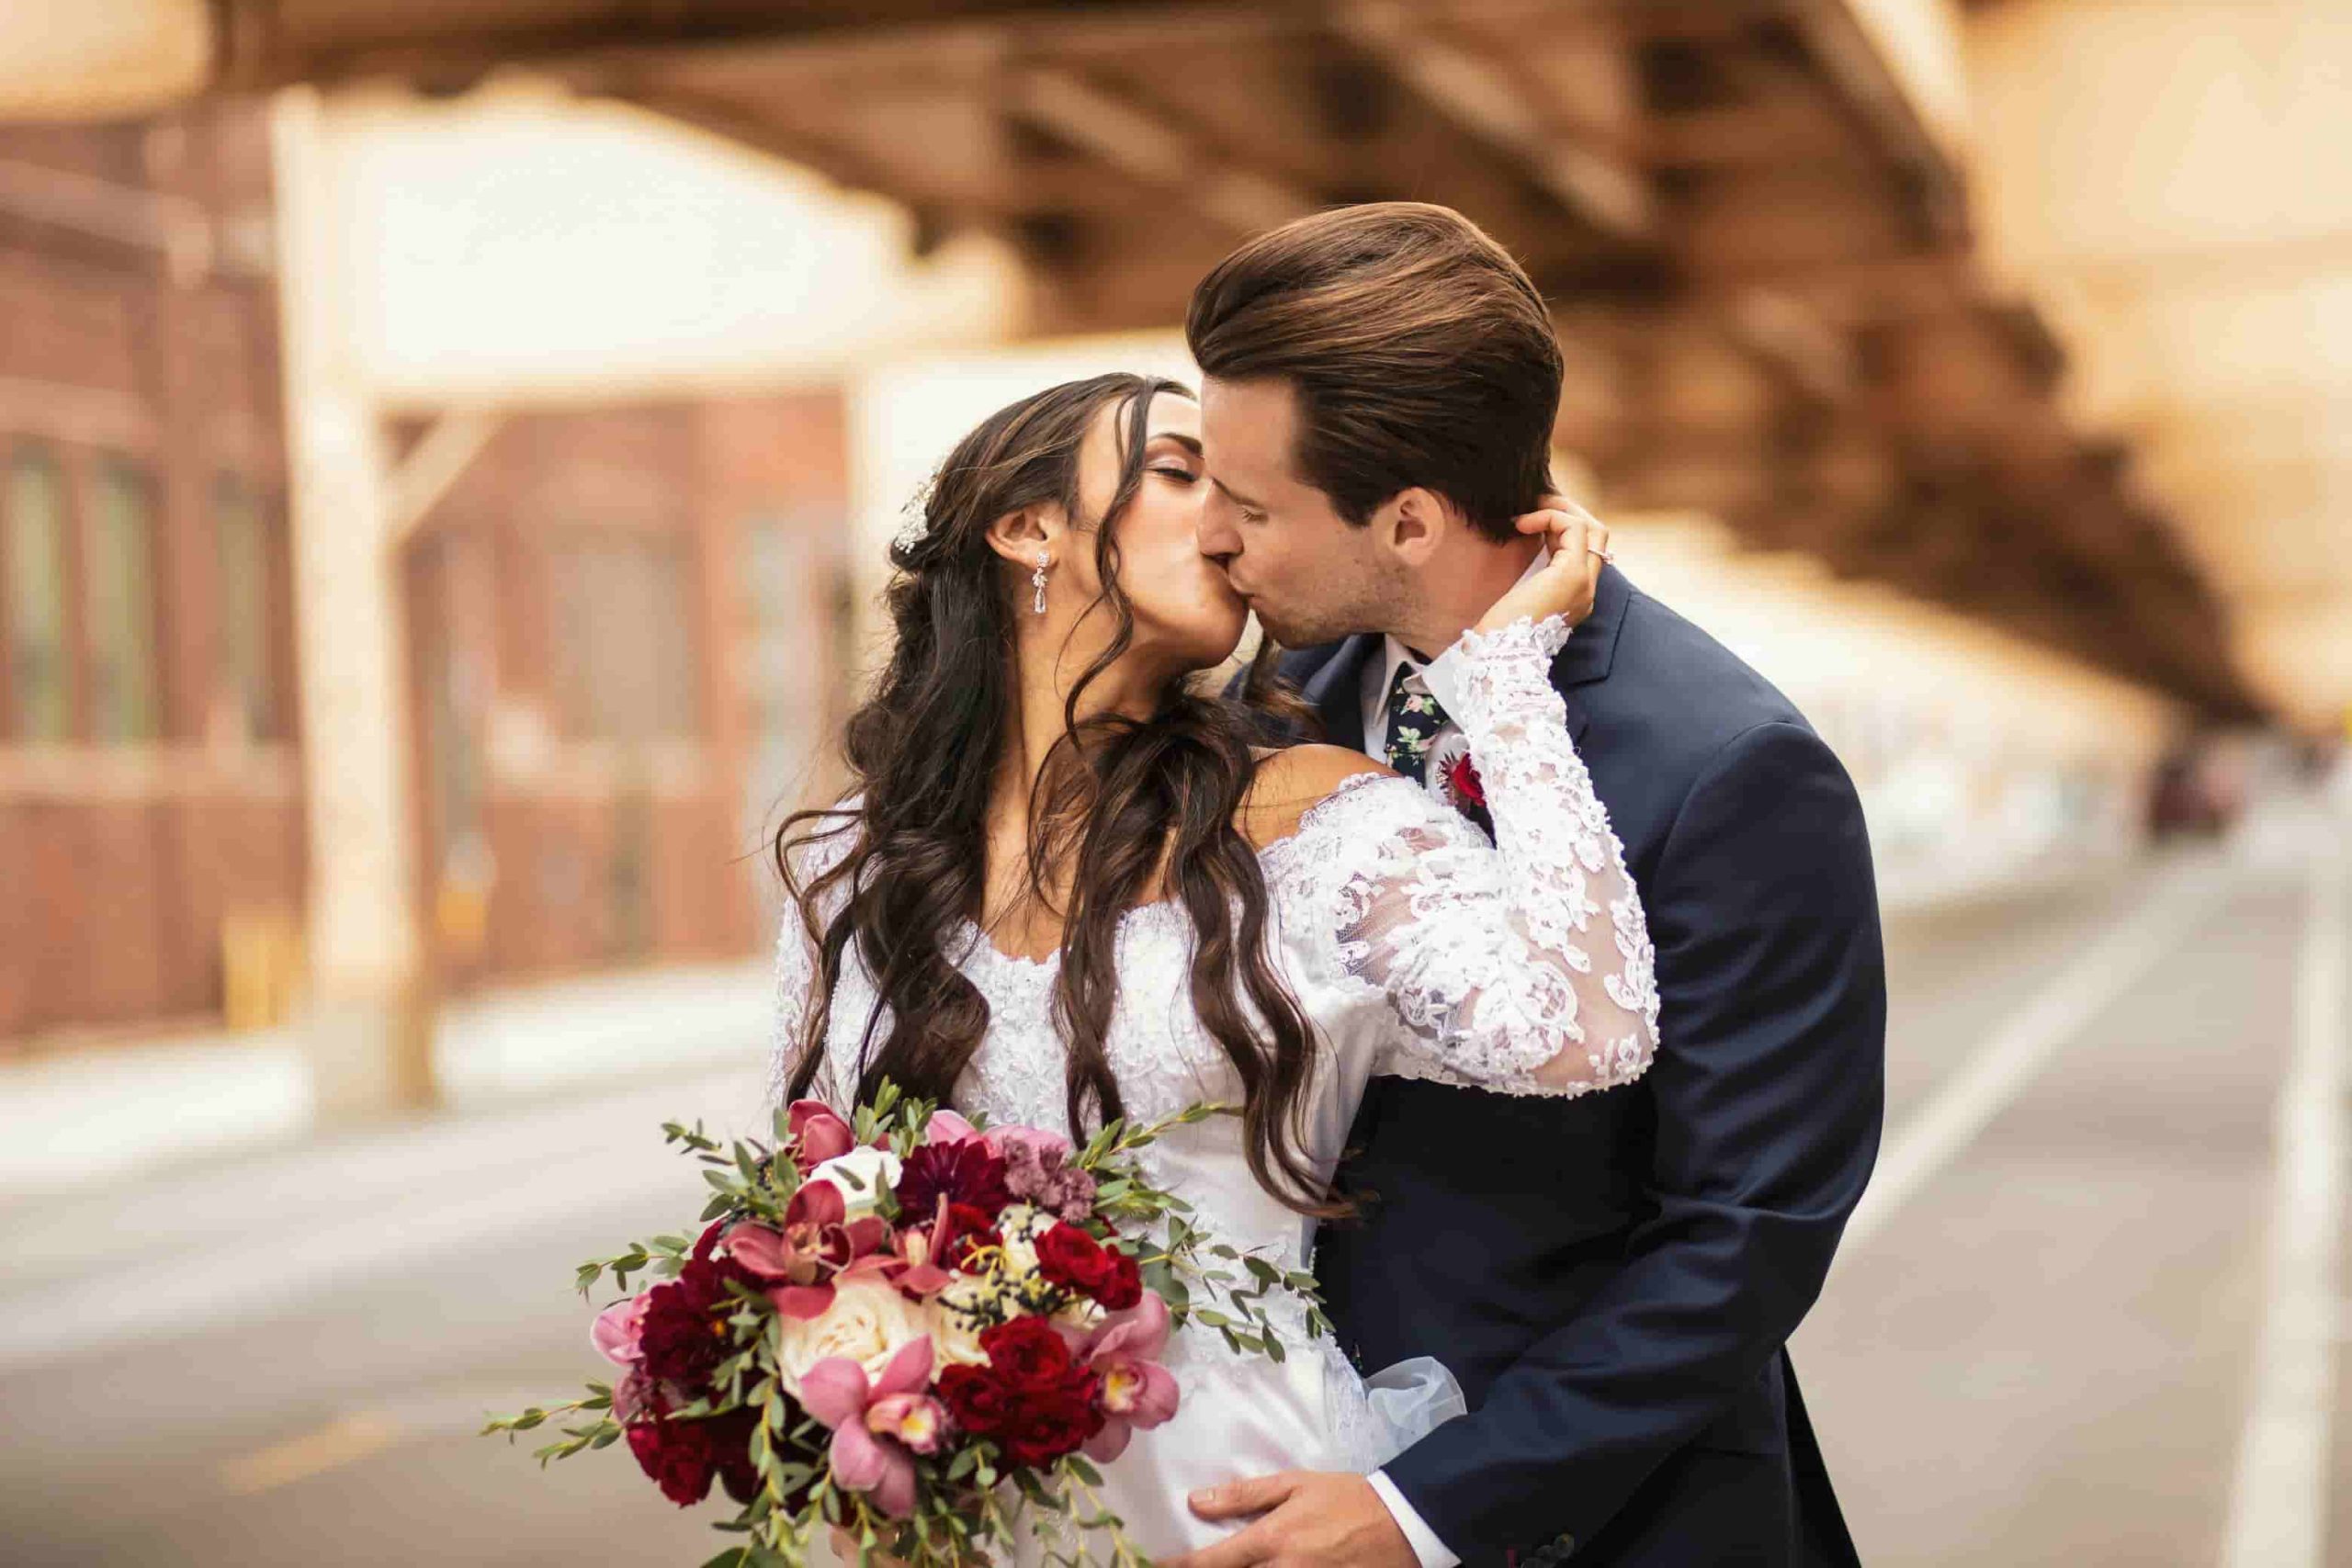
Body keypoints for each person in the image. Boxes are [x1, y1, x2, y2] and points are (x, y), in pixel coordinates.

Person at [766, 367, 1658, 1564]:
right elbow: (813, 1207)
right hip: (972, 1518)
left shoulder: (1309, 823)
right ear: (1030, 528)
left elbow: (1589, 1032)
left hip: (1244, 1504)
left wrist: (1501, 683)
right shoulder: (854, 863)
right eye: (1184, 472)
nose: (1230, 521)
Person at [1173, 203, 1884, 1568]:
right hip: (1291, 1473)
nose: (1216, 538)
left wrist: (1426, 1508)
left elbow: (1748, 1237)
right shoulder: (1273, 712)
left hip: (1618, 1521)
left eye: (1252, 507)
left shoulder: (1733, 766)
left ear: (1414, 519)